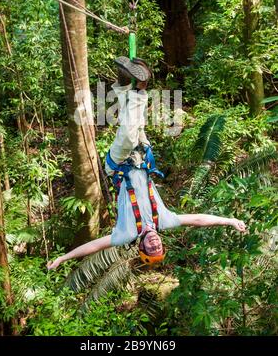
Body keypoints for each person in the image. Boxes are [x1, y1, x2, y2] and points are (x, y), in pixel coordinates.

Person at [47, 57, 246, 270]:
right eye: (159, 246)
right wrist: (229, 221)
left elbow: (93, 246)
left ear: (141, 247)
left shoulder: (126, 234)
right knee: (135, 122)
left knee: (128, 136)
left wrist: (62, 258)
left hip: (119, 165)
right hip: (142, 159)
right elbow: (197, 219)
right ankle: (123, 82)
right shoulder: (165, 221)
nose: (155, 243)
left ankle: (140, 87)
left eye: (151, 248)